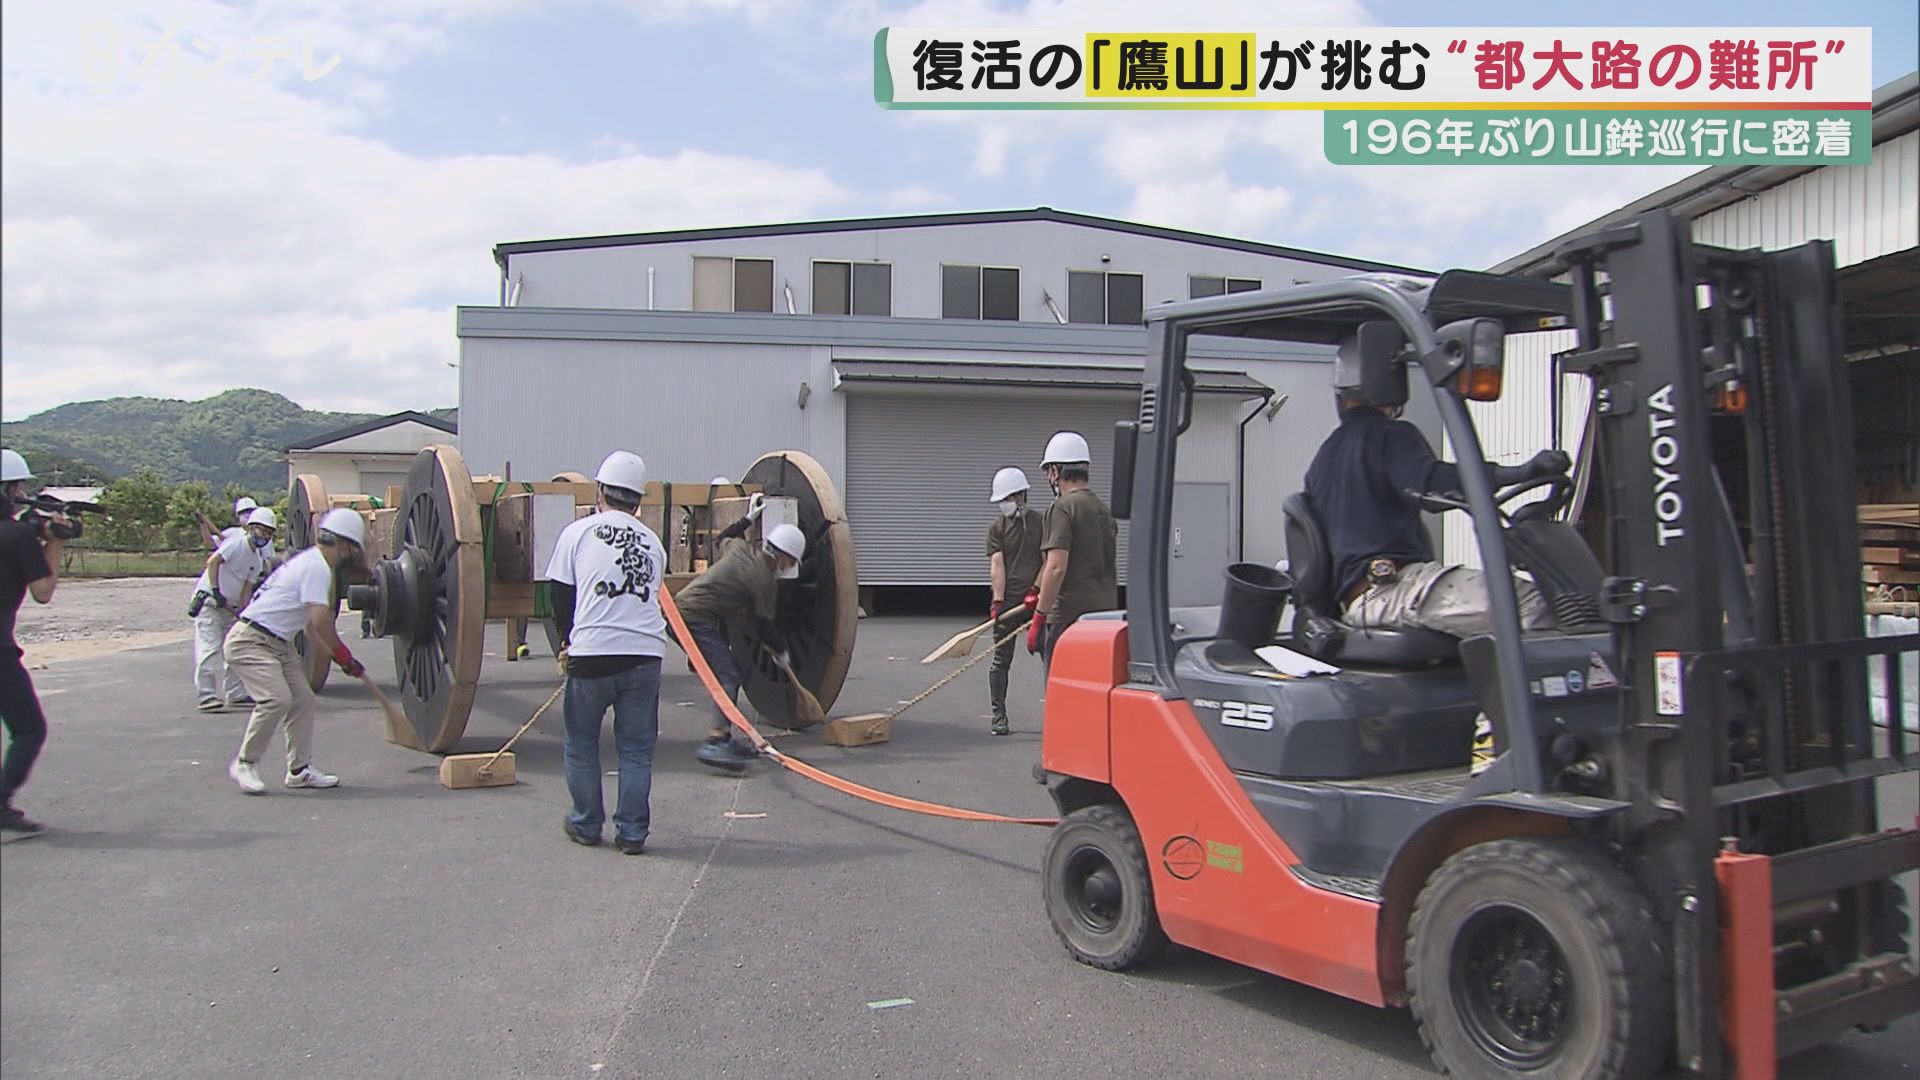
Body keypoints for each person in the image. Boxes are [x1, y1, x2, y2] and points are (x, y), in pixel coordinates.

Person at [1302, 378, 1569, 641]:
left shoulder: (1323, 458)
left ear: (1340, 399)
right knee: (1541, 605)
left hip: (1362, 601)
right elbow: (1430, 483)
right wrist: (1520, 472)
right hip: (1392, 590)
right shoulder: (1388, 433)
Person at [545, 451, 668, 855]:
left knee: (581, 742)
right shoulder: (653, 543)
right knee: (636, 749)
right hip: (645, 653)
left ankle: (586, 822)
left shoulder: (578, 532)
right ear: (638, 500)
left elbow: (560, 594)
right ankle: (632, 832)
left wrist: (565, 641)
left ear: (599, 491)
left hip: (593, 651)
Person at [223, 506, 367, 795]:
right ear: (343, 545)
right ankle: (245, 763)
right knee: (276, 700)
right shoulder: (318, 567)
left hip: (278, 643)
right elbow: (321, 621)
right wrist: (343, 655)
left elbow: (311, 629)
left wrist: (340, 659)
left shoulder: (312, 562)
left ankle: (299, 770)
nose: (351, 555)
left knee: (302, 699)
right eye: (352, 548)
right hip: (251, 640)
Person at [673, 501, 805, 775]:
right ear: (783, 557)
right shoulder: (763, 578)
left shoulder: (740, 548)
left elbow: (723, 537)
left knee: (733, 671)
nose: (790, 567)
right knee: (728, 675)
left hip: (685, 611)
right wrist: (781, 652)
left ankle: (725, 736)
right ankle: (716, 739)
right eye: (791, 562)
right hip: (691, 618)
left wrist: (747, 519)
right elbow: (764, 625)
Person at [0, 449, 67, 833]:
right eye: (19, 487)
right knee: (29, 729)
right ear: (9, 490)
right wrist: (54, 541)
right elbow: (43, 591)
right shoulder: (17, 536)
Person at [1030, 432, 1118, 672]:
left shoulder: (1062, 508)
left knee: (1061, 685)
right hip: (1104, 617)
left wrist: (1039, 616)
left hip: (1067, 618)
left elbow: (1056, 566)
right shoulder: (1102, 509)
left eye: (1049, 471)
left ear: (1056, 471)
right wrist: (1036, 589)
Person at [189, 507, 278, 712]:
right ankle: (207, 696)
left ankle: (236, 693)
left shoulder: (256, 560)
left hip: (230, 608)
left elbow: (246, 590)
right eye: (261, 530)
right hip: (210, 604)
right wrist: (215, 590)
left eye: (268, 533)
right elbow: (213, 562)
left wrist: (245, 615)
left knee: (235, 649)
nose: (264, 536)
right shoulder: (236, 544)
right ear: (251, 528)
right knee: (210, 649)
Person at [985, 466, 1043, 736]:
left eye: (1007, 499)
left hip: (1037, 602)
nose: (1004, 505)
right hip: (1009, 603)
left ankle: (1060, 715)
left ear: (1021, 496)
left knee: (1050, 655)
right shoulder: (996, 529)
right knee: (1000, 661)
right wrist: (998, 602)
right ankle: (998, 714)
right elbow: (997, 566)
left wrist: (1036, 589)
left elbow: (1049, 560)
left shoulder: (1041, 523)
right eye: (1002, 500)